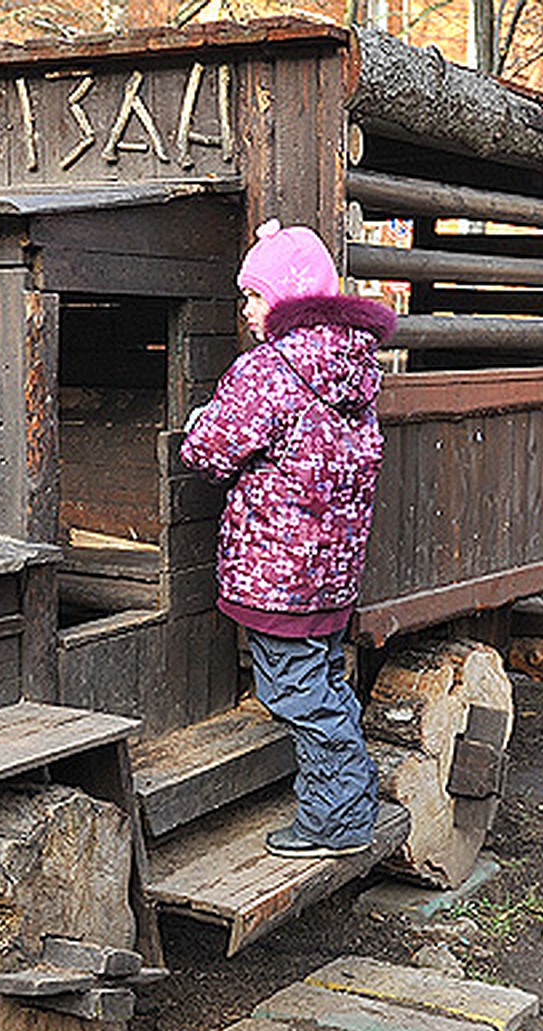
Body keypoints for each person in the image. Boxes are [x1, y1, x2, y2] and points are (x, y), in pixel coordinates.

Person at [180, 219, 397, 857]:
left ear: (285, 296)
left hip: (277, 575)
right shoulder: (355, 367)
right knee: (324, 683)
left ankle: (337, 820)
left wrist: (200, 419)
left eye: (252, 295)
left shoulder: (271, 370)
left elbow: (208, 450)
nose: (246, 310)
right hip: (332, 572)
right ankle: (353, 799)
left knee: (295, 693)